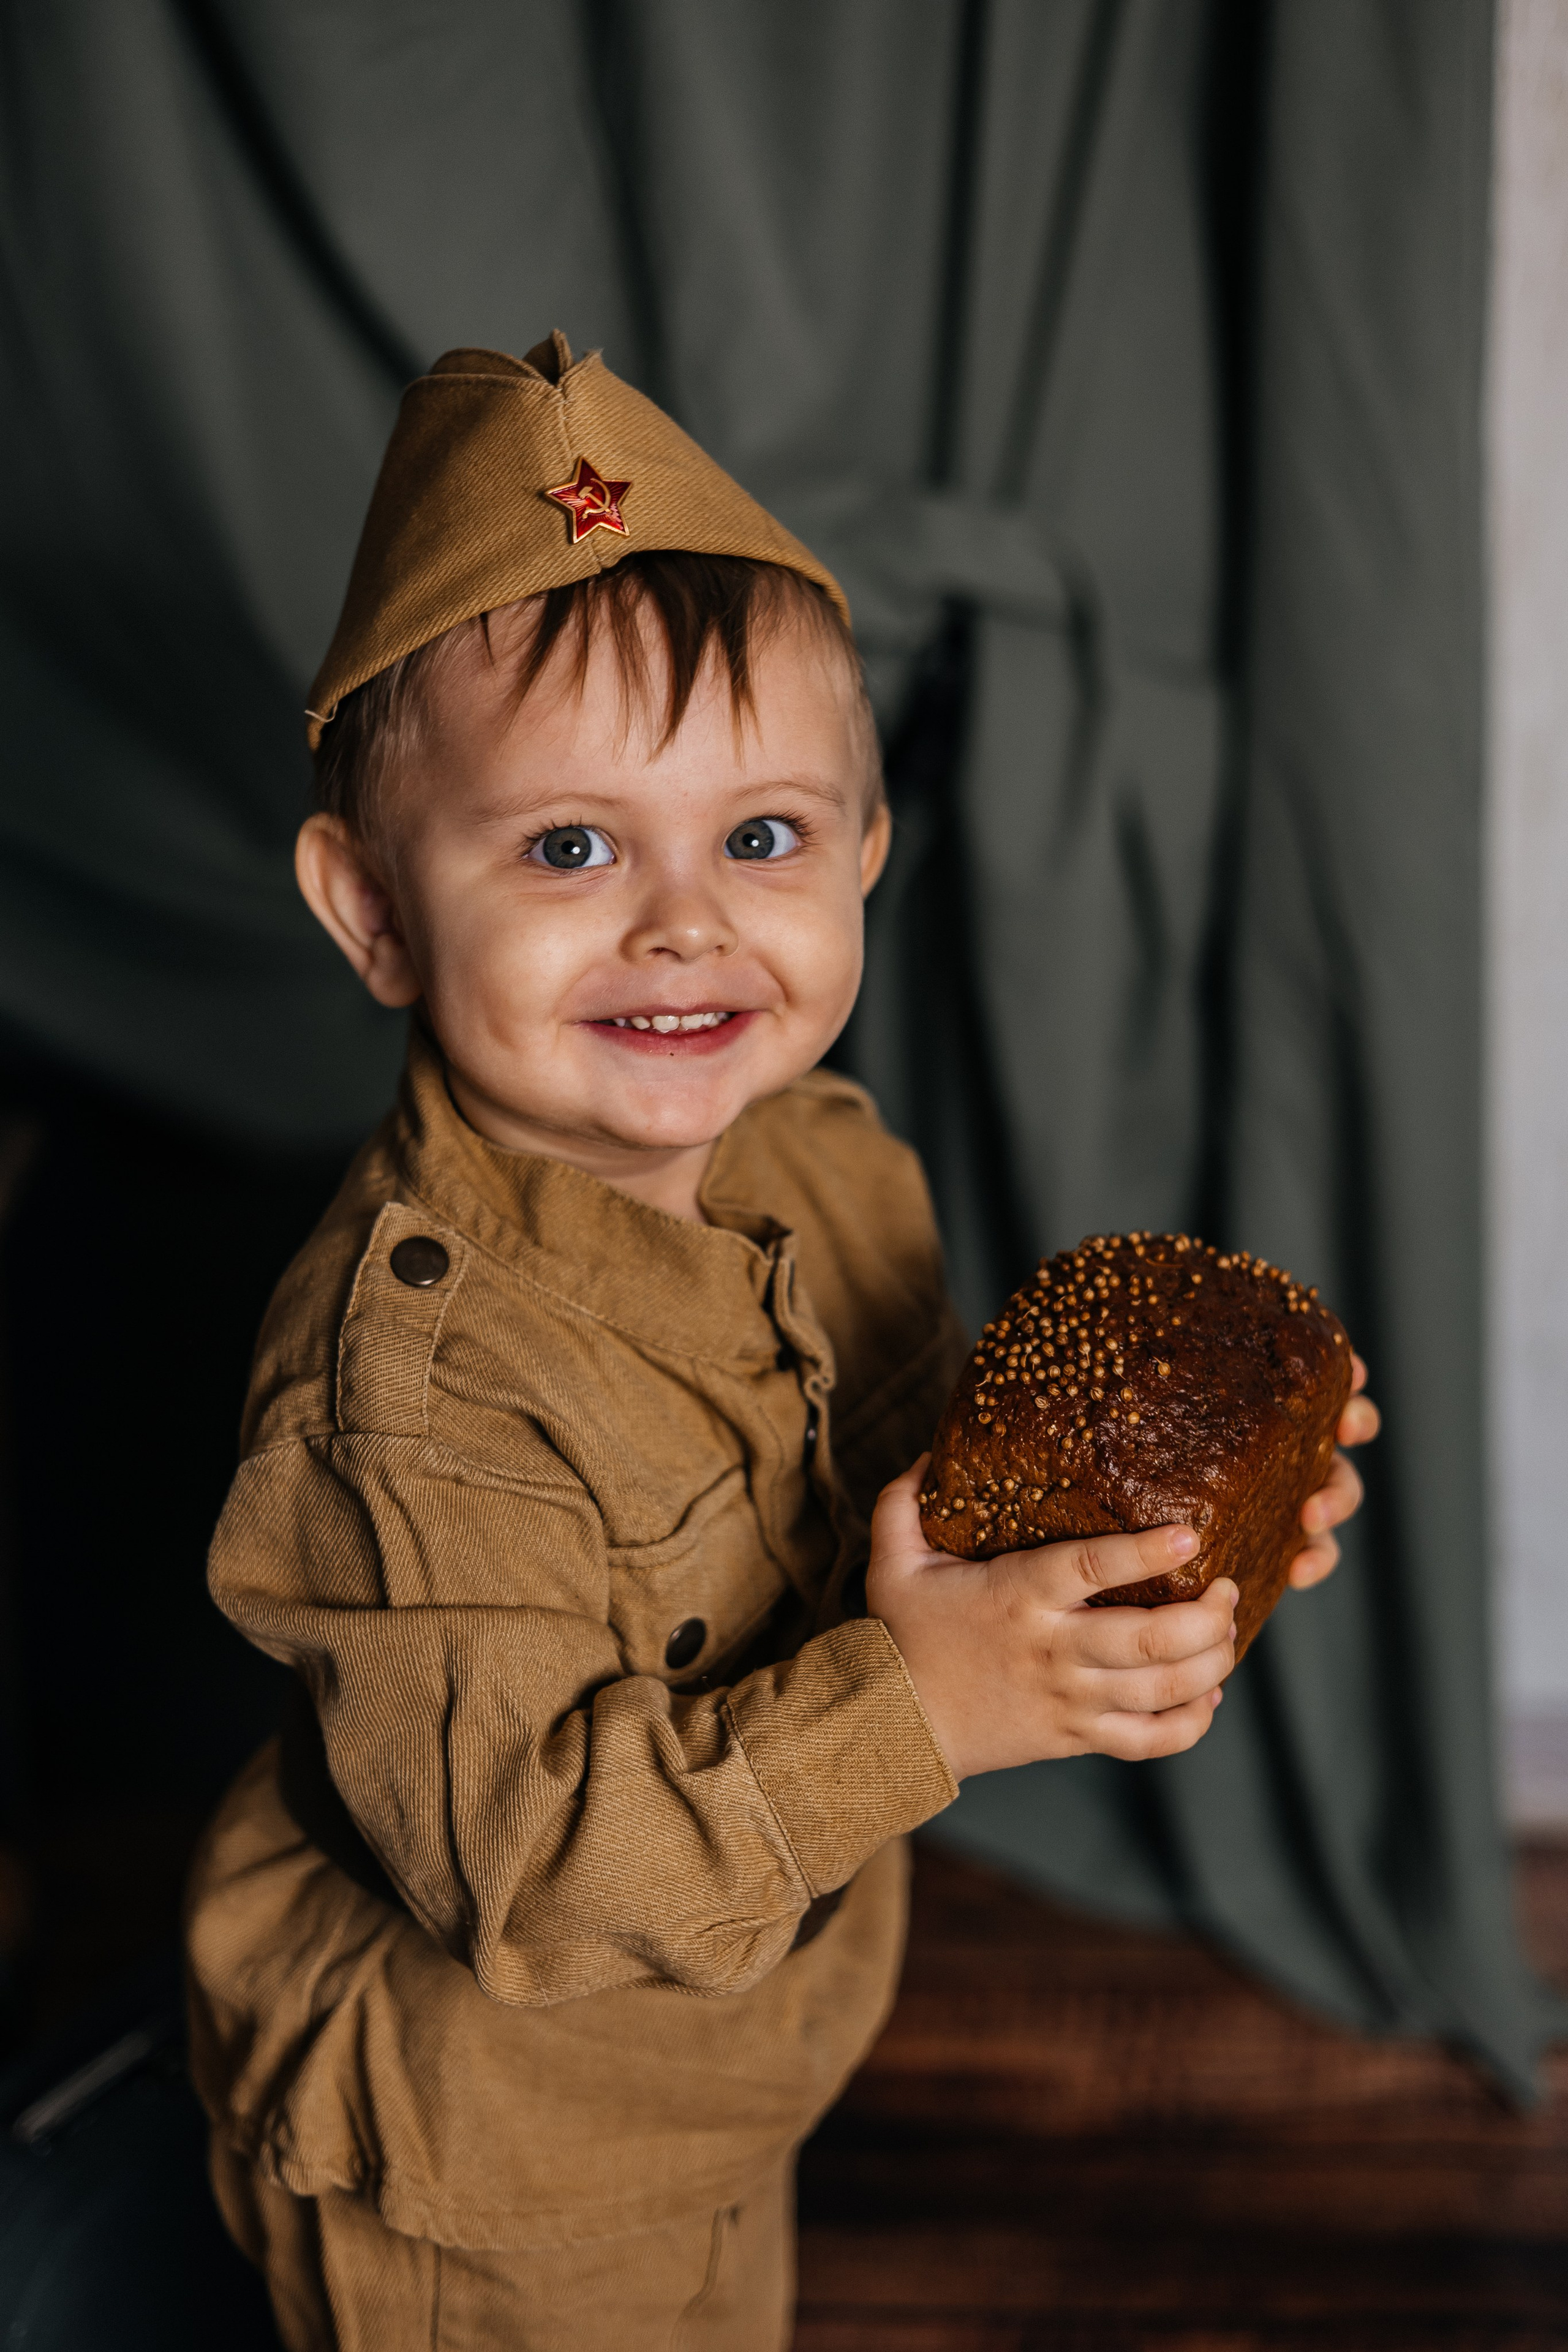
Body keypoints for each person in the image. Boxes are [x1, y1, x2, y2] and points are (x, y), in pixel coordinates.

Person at [184, 333, 1378, 2351]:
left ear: (867, 856)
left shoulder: (828, 1158)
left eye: (761, 838)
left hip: (737, 2057)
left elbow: (924, 1514)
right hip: (488, 2169)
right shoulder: (404, 1399)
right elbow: (533, 1881)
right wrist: (924, 1708)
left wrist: (1144, 1548)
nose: (684, 920)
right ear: (373, 909)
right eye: (571, 846)